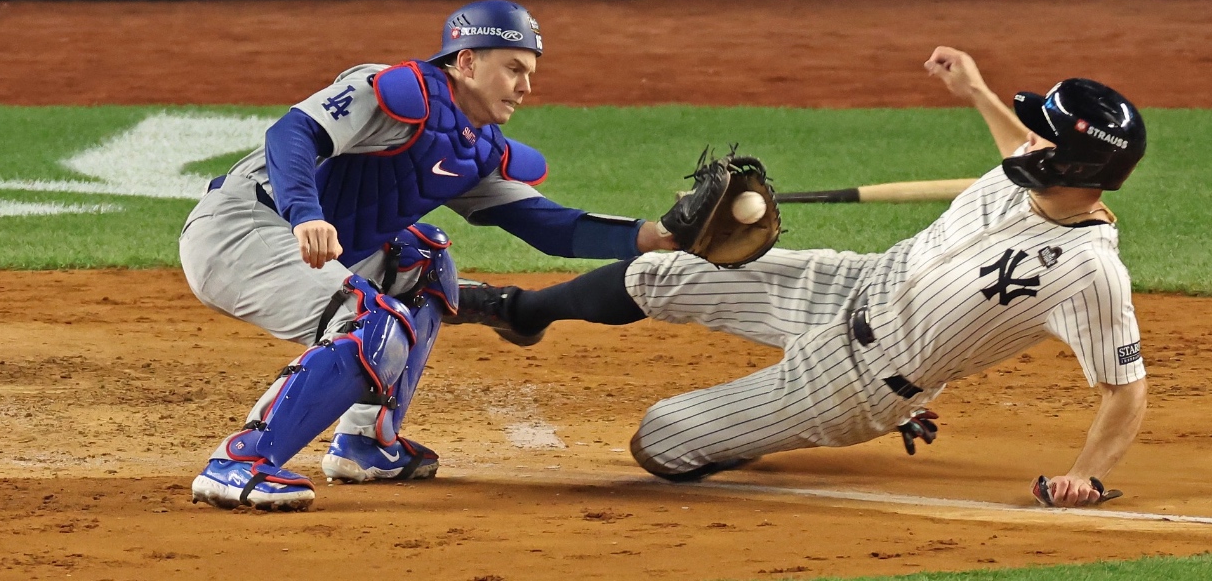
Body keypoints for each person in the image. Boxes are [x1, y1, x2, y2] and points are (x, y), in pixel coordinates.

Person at [450, 47, 1149, 508]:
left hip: (859, 383)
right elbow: (1013, 144)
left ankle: (754, 432)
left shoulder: (1089, 273)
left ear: (1076, 170)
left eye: (1046, 137)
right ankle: (522, 312)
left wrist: (1085, 474)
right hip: (850, 283)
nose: (1029, 139)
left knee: (659, 441)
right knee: (663, 269)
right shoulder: (1028, 174)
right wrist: (975, 90)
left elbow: (1126, 391)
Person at [179, 0, 675, 511]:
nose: (526, 87)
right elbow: (292, 133)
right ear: (466, 61)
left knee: (424, 263)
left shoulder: (475, 148)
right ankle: (241, 463)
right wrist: (306, 213)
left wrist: (656, 235)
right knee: (373, 321)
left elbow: (547, 225)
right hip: (241, 229)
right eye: (513, 69)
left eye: (529, 72)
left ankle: (368, 443)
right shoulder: (390, 90)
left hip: (305, 243)